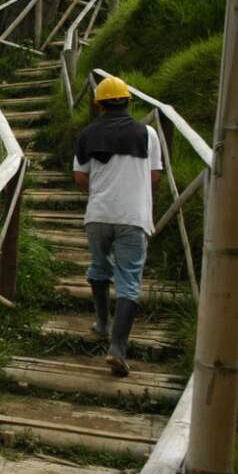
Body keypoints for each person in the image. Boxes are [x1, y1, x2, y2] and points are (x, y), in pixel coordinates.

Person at [73, 76, 162, 377]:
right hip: (133, 218)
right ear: (127, 101)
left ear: (98, 105)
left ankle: (101, 324)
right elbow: (154, 178)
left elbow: (80, 178)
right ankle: (117, 350)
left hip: (98, 216)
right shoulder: (148, 134)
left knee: (99, 268)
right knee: (129, 282)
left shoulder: (86, 135)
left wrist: (103, 190)